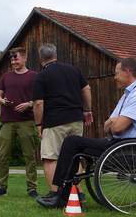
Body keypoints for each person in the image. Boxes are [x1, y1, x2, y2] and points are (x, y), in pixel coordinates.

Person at [37, 57, 136, 208]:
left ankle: (60, 195)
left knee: (72, 142)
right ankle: (62, 193)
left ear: (127, 72)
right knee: (73, 144)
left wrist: (114, 123)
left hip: (127, 146)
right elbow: (107, 124)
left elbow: (117, 126)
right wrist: (113, 123)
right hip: (116, 142)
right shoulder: (128, 94)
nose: (114, 77)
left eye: (116, 73)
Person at [32, 43, 92, 196]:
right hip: (76, 119)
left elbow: (38, 103)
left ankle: (55, 192)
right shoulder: (73, 70)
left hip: (55, 121)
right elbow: (86, 89)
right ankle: (77, 191)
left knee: (50, 157)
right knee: (75, 156)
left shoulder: (42, 76)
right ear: (55, 55)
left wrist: (39, 124)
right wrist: (87, 110)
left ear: (41, 59)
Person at [0, 47, 39, 198]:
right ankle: (1, 188)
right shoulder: (6, 77)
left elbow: (40, 99)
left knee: (29, 156)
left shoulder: (34, 76)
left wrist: (29, 104)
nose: (14, 61)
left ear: (25, 58)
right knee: (3, 155)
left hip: (26, 121)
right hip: (6, 121)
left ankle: (32, 189)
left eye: (16, 58)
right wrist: (1, 100)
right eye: (12, 59)